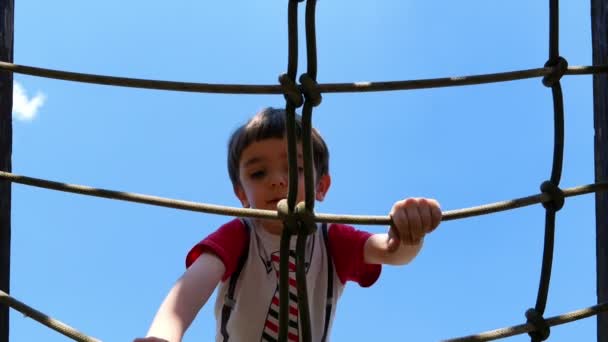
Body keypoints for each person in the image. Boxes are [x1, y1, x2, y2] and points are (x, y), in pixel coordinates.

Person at [134, 107, 442, 342]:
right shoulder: (240, 234)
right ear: (241, 194)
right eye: (258, 174)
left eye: (294, 168)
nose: (278, 180)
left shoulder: (332, 237)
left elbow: (390, 252)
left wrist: (408, 234)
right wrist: (163, 335)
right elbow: (192, 285)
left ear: (322, 187)